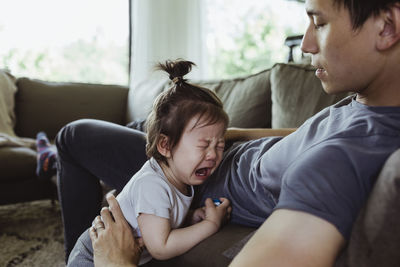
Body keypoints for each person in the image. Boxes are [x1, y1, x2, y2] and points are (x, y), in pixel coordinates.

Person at [56, 0, 400, 266]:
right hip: (215, 152)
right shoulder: (366, 102)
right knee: (151, 124)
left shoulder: (341, 158)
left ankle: (76, 254)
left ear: (387, 27)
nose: (307, 43)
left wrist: (113, 259)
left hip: (190, 174)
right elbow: (306, 134)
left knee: (73, 136)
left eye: (320, 21)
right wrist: (235, 134)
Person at [65, 59, 232, 266]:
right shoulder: (152, 185)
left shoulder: (177, 176)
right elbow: (160, 247)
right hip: (93, 258)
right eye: (203, 145)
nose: (212, 155)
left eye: (219, 145)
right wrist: (210, 224)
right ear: (165, 145)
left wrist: (190, 217)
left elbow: (160, 220)